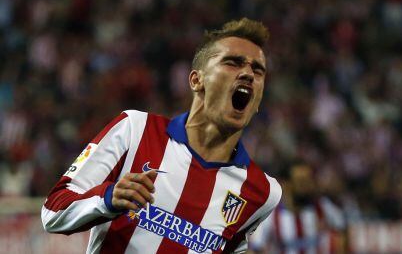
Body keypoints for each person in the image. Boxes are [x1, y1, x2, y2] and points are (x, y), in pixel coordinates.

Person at [41, 18, 282, 253]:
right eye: (233, 62)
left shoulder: (263, 192)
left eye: (257, 70)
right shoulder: (135, 129)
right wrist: (107, 198)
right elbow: (53, 212)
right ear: (197, 80)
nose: (248, 74)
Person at [247, 161, 347, 254]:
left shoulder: (322, 207)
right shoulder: (270, 215)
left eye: (309, 181)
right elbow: (255, 248)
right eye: (302, 181)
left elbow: (342, 228)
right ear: (286, 185)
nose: (308, 186)